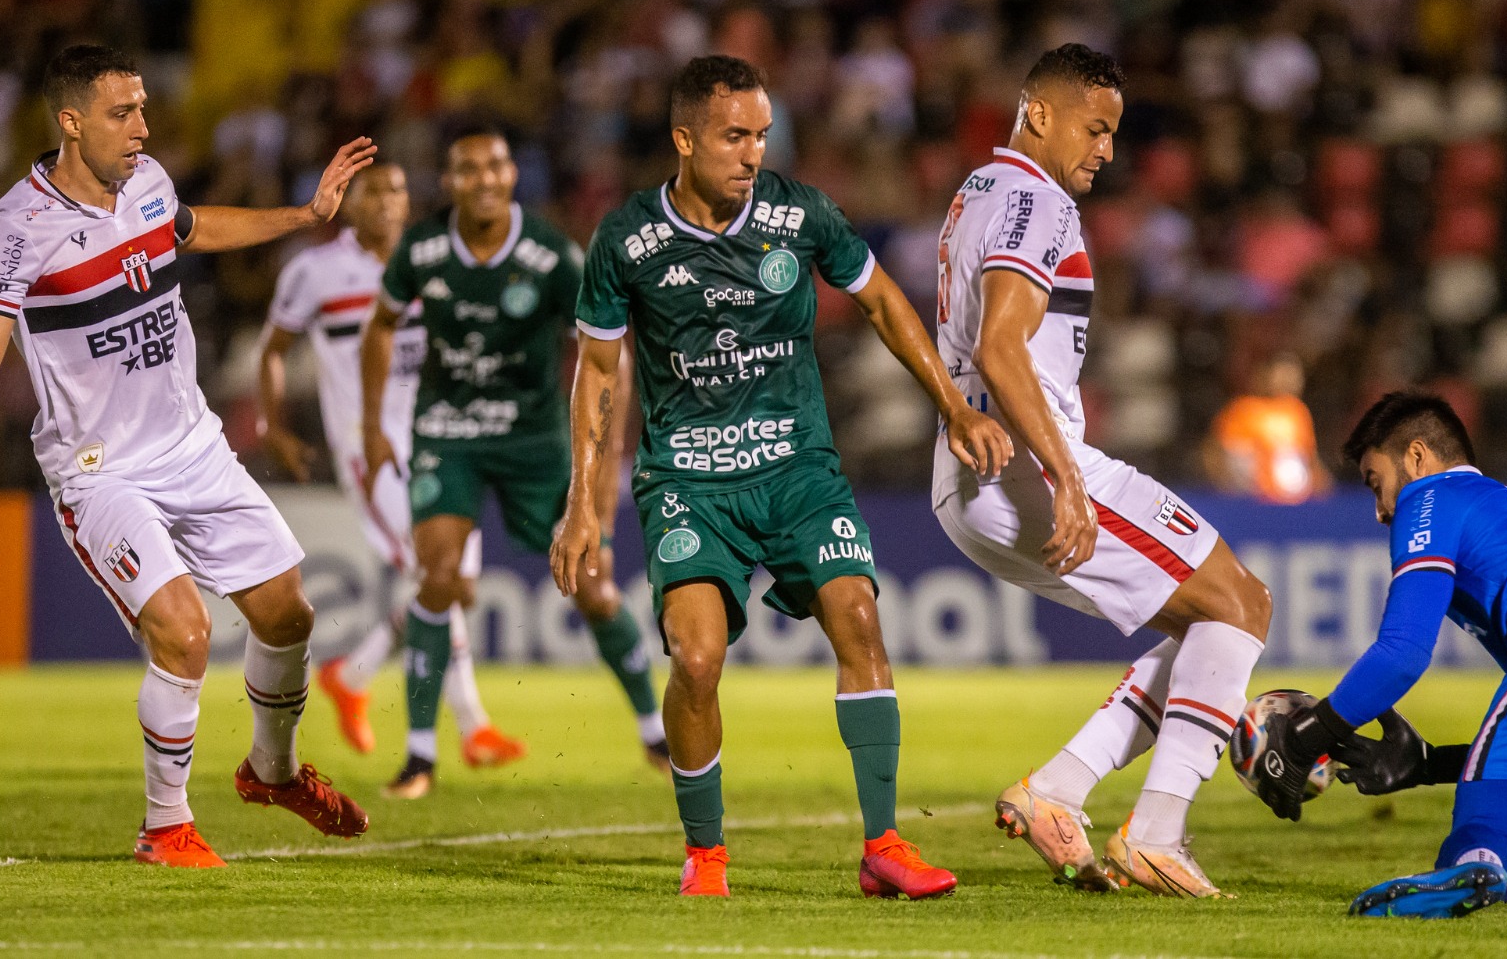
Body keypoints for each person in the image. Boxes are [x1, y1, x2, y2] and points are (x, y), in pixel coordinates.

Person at [550, 55, 1010, 899]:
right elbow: (599, 372)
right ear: (684, 140)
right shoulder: (627, 240)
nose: (753, 152)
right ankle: (707, 857)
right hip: (689, 479)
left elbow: (882, 304)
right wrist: (584, 503)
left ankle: (883, 846)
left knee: (859, 619)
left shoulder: (802, 215)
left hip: (798, 466)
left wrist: (954, 405)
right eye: (734, 136)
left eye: (762, 135)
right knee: (695, 658)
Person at [0, 44, 370, 866]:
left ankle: (271, 772)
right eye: (122, 113)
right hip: (101, 471)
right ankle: (165, 825)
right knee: (185, 632)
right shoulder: (18, 225)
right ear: (71, 123)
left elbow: (192, 229)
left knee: (288, 613)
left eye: (142, 109)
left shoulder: (148, 182)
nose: (143, 127)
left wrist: (305, 217)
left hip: (193, 444)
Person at [930, 43, 1272, 898]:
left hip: (971, 472)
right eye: (1095, 127)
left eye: (1115, 134)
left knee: (1209, 628)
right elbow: (1000, 348)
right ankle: (1156, 833)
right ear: (1037, 114)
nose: (1107, 151)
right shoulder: (1038, 202)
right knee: (1242, 603)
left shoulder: (979, 190)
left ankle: (1058, 790)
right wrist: (1069, 479)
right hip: (1031, 468)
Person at [360, 127, 666, 798]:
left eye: (497, 165)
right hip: (449, 432)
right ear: (450, 181)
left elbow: (605, 355)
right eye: (469, 169)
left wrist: (605, 469)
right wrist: (372, 426)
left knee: (597, 590)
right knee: (438, 577)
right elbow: (380, 327)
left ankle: (654, 729)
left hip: (536, 443)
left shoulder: (551, 253)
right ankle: (419, 756)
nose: (487, 178)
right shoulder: (423, 248)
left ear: (511, 174)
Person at [258, 161, 526, 779]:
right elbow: (274, 349)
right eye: (372, 192)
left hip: (440, 442)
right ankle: (472, 726)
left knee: (452, 585)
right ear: (348, 205)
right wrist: (274, 428)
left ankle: (353, 676)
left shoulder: (432, 264)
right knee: (444, 578)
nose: (386, 201)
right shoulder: (315, 271)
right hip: (370, 448)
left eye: (398, 190)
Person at [1252, 391, 1507, 918]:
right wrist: (1427, 765)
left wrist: (1307, 736)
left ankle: (1473, 861)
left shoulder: (1429, 496)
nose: (1382, 510)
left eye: (1375, 482)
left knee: (1481, 853)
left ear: (1417, 456)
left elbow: (1403, 653)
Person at [1204, 351, 1331, 504]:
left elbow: (1309, 456)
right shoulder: (1243, 410)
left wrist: (1327, 491)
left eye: (1294, 375)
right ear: (1266, 375)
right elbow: (1217, 454)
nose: (1288, 381)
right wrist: (1232, 493)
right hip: (1257, 501)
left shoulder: (1298, 412)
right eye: (1282, 374)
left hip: (1296, 503)